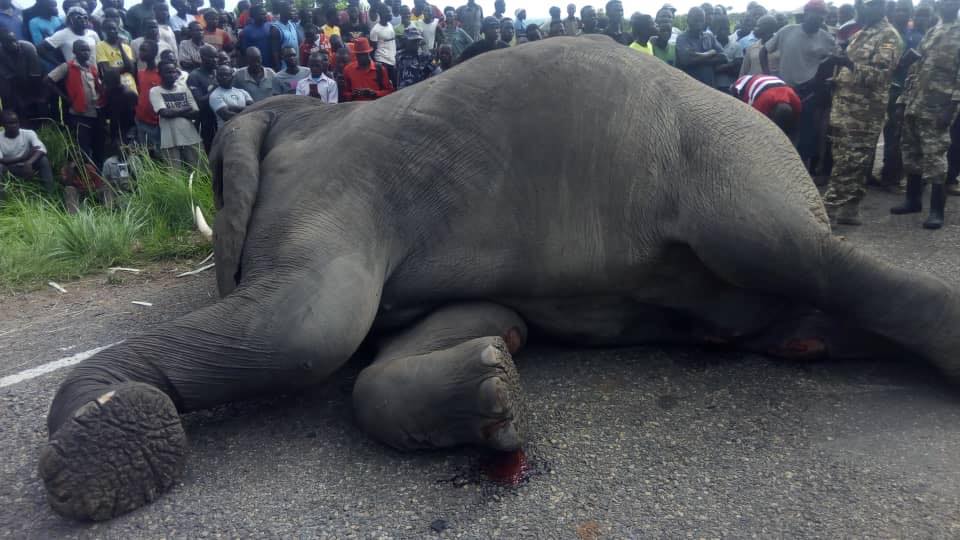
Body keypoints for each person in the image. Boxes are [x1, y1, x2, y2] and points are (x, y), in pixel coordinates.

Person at [820, 0, 901, 225]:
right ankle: (850, 210)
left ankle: (826, 211)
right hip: (846, 108)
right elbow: (852, 69)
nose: (860, 9)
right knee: (849, 160)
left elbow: (880, 76)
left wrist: (848, 63)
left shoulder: (888, 36)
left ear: (880, 6)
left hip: (863, 113)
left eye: (865, 5)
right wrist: (836, 79)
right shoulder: (862, 32)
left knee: (850, 161)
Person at [890, 0, 960, 229]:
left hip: (938, 105)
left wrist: (951, 108)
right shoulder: (932, 31)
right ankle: (913, 200)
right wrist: (902, 101)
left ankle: (937, 211)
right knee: (912, 152)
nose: (948, 5)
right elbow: (916, 67)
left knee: (935, 157)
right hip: (915, 102)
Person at [761, 0, 835, 172]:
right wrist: (767, 76)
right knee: (781, 131)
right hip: (785, 91)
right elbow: (764, 51)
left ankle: (802, 172)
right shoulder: (787, 31)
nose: (818, 18)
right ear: (806, 14)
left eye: (821, 15)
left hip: (811, 93)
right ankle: (778, 168)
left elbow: (833, 61)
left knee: (807, 134)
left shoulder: (827, 38)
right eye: (814, 14)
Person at [879, 0, 927, 190]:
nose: (901, 14)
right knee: (876, 134)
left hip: (902, 92)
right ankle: (875, 175)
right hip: (880, 89)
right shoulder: (885, 34)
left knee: (897, 135)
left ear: (910, 13)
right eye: (898, 10)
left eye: (905, 11)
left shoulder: (916, 37)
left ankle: (890, 176)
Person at [46, 39, 105, 165]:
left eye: (87, 50)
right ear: (74, 51)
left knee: (99, 143)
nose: (86, 53)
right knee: (83, 146)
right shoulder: (67, 66)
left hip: (96, 111)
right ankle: (86, 175)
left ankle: (99, 173)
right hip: (80, 114)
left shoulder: (92, 68)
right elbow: (48, 80)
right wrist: (65, 97)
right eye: (82, 50)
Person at [150, 59, 201, 168]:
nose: (172, 75)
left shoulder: (184, 88)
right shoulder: (155, 91)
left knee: (200, 171)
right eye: (168, 72)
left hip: (191, 137)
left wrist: (175, 111)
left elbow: (196, 112)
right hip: (169, 140)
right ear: (160, 74)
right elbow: (165, 113)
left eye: (174, 72)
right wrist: (185, 108)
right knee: (176, 176)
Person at [0, 109, 54, 196]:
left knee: (43, 160)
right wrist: (23, 158)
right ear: (2, 125)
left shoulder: (28, 133)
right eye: (10, 123)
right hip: (10, 168)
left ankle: (50, 195)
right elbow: (2, 160)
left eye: (16, 122)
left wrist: (28, 162)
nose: (14, 125)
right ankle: (3, 199)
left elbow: (41, 149)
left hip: (28, 166)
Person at [0, 28, 45, 124]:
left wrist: (33, 94)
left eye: (14, 41)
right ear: (2, 44)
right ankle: (14, 123)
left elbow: (35, 74)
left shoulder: (28, 47)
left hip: (32, 79)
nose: (14, 44)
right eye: (9, 42)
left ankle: (40, 123)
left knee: (36, 101)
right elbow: (7, 76)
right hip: (12, 82)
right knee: (11, 100)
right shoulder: (1, 52)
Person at [732, 74, 802, 136]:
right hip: (742, 84)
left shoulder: (795, 101)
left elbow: (796, 123)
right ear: (771, 114)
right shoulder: (760, 105)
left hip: (763, 81)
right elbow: (754, 126)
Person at [675, 7, 724, 87]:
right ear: (688, 20)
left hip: (710, 87)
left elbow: (723, 57)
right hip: (690, 87)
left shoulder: (709, 36)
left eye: (701, 19)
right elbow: (686, 61)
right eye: (695, 19)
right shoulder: (682, 38)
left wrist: (698, 57)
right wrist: (710, 53)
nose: (698, 22)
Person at [186, 43, 216, 150]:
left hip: (219, 119)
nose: (216, 60)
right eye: (212, 57)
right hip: (204, 121)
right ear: (203, 58)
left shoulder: (218, 73)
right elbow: (200, 102)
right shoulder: (194, 76)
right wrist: (215, 88)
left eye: (216, 57)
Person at [134, 39, 161, 150]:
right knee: (145, 154)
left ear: (154, 53)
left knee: (158, 155)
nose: (141, 53)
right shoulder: (140, 74)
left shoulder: (161, 74)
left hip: (156, 123)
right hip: (141, 121)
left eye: (144, 50)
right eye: (140, 50)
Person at [712, 13, 742, 92]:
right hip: (712, 86)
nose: (723, 31)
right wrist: (731, 64)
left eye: (725, 28)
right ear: (715, 29)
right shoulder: (709, 45)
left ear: (729, 29)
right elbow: (710, 67)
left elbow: (738, 69)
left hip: (731, 87)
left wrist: (720, 67)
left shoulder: (736, 46)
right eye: (720, 29)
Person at [369, 4, 396, 83]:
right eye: (388, 12)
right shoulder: (375, 30)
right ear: (381, 13)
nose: (390, 14)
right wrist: (376, 65)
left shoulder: (390, 25)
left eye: (390, 11)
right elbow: (372, 49)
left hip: (392, 60)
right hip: (382, 61)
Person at [239, 4, 273, 69]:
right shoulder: (247, 31)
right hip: (256, 66)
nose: (265, 16)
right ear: (254, 15)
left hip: (271, 64)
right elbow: (245, 51)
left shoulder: (271, 26)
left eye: (265, 13)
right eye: (262, 14)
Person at [270, 1, 299, 70]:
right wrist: (278, 67)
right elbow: (275, 51)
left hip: (295, 65)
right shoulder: (275, 29)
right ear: (283, 11)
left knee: (296, 81)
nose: (293, 13)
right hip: (285, 68)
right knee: (292, 81)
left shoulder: (291, 24)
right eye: (291, 10)